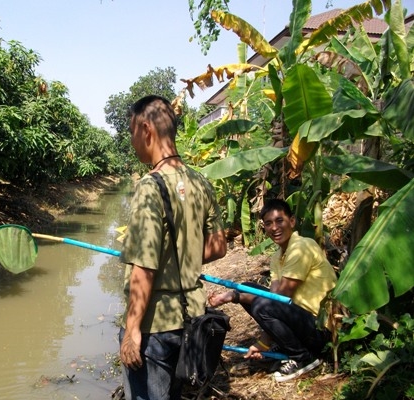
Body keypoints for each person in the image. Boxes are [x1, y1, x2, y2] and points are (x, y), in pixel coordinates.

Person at [118, 95, 227, 400]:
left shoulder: (150, 186)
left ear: (146, 128)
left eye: (131, 132)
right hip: (192, 318)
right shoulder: (201, 182)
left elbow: (145, 267)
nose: (132, 140)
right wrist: (184, 257)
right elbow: (219, 246)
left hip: (156, 324)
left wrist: (132, 331)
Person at [209, 198, 337, 382]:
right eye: (268, 223)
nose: (274, 228)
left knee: (261, 304)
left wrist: (233, 297)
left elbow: (278, 299)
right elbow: (272, 297)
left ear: (291, 221)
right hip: (301, 322)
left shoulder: (301, 247)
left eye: (279, 221)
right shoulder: (278, 256)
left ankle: (303, 357)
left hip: (320, 329)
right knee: (250, 289)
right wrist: (232, 296)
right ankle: (287, 345)